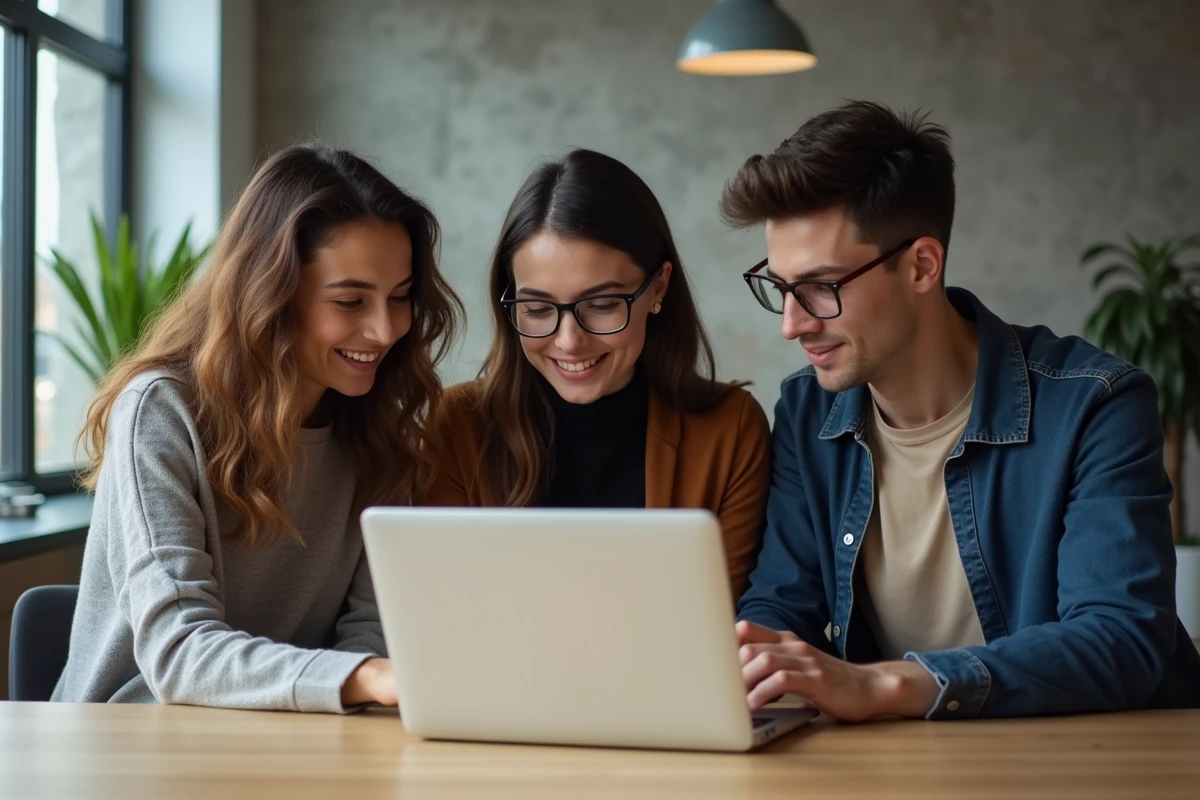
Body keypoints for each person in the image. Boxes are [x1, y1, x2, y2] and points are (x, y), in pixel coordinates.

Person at [723, 100, 1200, 720]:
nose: (792, 324)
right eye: (781, 288)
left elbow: (1121, 639)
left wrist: (888, 685)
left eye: (822, 287)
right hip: (893, 767)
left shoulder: (1096, 403)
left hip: (1085, 763)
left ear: (922, 265)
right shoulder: (806, 410)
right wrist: (752, 662)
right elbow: (783, 605)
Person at [52, 143, 462, 712]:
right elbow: (178, 654)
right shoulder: (162, 411)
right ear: (270, 293)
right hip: (124, 745)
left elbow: (368, 631)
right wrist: (364, 678)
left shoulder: (378, 431)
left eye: (400, 298)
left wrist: (366, 674)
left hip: (287, 739)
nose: (385, 329)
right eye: (350, 301)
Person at [421, 148, 769, 598]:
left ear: (658, 287)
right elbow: (448, 614)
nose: (568, 341)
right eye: (538, 308)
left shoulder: (730, 430)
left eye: (603, 305)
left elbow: (723, 627)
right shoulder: (457, 425)